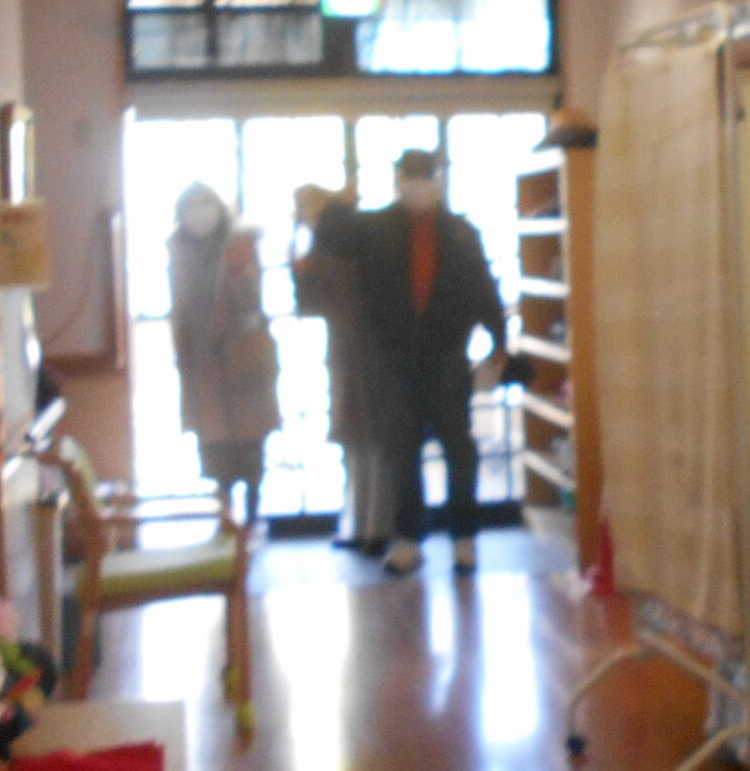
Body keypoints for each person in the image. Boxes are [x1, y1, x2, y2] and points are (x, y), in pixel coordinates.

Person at [315, 149, 506, 575]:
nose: (419, 183)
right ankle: (408, 538)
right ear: (398, 180)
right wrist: (338, 205)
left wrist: (499, 339)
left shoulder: (461, 232)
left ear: (438, 180)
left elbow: (483, 286)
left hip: (448, 355)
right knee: (400, 450)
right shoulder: (374, 227)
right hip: (393, 355)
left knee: (459, 448)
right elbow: (330, 239)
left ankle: (464, 537)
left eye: (426, 175)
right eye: (412, 175)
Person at [166, 182, 279, 529]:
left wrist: (239, 271)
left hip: (244, 358)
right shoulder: (178, 250)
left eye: (206, 204)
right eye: (192, 206)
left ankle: (254, 513)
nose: (200, 213)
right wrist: (186, 354)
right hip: (201, 361)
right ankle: (224, 512)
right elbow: (180, 308)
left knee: (250, 439)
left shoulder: (240, 244)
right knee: (215, 444)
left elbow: (252, 300)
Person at [293, 183, 393, 555]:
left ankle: (369, 527)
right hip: (362, 358)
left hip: (358, 358)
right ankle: (367, 526)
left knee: (365, 444)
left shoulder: (331, 256)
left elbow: (310, 304)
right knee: (367, 445)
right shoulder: (354, 250)